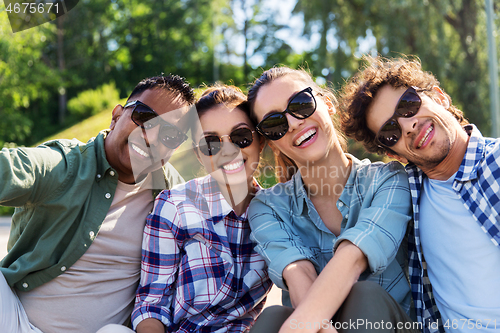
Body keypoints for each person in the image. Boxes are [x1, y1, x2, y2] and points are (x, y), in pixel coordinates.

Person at [0, 75, 195, 333]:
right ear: (116, 117)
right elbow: (11, 168)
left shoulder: (172, 194)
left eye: (170, 135)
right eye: (145, 118)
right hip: (16, 323)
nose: (151, 138)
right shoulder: (64, 165)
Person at [246, 66, 417, 333]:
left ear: (327, 103)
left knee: (364, 296)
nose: (292, 123)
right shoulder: (268, 207)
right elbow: (298, 273)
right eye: (274, 123)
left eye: (300, 104)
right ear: (271, 142)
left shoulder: (388, 180)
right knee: (271, 320)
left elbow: (353, 259)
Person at [339, 56, 500, 333]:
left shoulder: (495, 162)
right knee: (361, 299)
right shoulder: (404, 193)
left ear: (440, 97)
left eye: (408, 105)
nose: (408, 125)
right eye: (390, 132)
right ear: (392, 153)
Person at [100, 84, 272, 333]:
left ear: (260, 142)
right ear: (200, 155)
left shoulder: (276, 212)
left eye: (241, 137)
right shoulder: (175, 207)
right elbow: (151, 305)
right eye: (211, 144)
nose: (228, 150)